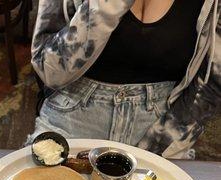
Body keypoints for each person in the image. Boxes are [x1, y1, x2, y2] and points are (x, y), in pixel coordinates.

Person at [31, 0, 220, 159]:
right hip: (70, 116)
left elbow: (211, 85)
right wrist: (107, 6)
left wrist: (161, 145)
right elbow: (48, 70)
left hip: (165, 124)